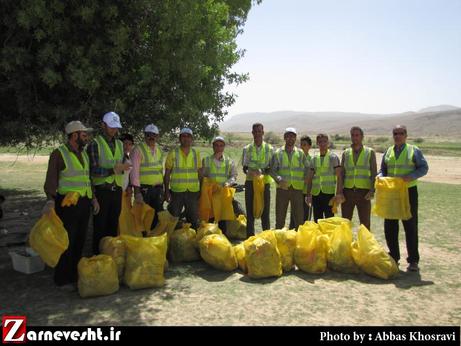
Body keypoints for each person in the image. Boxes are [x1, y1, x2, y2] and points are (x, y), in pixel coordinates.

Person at [43, 121, 97, 290]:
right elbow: (51, 180)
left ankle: (74, 276)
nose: (86, 137)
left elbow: (88, 179)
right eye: (83, 134)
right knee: (67, 242)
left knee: (79, 241)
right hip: (67, 205)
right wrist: (50, 200)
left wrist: (93, 198)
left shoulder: (84, 154)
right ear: (74, 135)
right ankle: (62, 279)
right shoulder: (59, 154)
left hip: (83, 203)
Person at [378, 125, 428, 272]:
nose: (397, 136)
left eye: (400, 133)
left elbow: (424, 168)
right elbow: (383, 170)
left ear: (406, 135)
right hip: (391, 193)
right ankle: (393, 256)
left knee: (410, 226)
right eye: (395, 133)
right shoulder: (388, 151)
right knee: (390, 226)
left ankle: (413, 261)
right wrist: (379, 176)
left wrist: (411, 177)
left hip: (408, 192)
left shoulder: (414, 150)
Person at [87, 112, 131, 254]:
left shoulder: (119, 144)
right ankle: (98, 258)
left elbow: (123, 165)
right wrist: (113, 170)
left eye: (116, 127)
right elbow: (93, 170)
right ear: (103, 125)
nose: (114, 130)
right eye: (111, 127)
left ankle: (111, 260)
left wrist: (125, 165)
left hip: (116, 191)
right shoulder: (95, 144)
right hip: (102, 191)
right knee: (100, 228)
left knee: (112, 227)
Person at [338, 126, 377, 230]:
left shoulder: (370, 152)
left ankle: (365, 245)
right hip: (348, 192)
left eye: (357, 135)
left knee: (365, 223)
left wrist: (372, 190)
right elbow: (342, 174)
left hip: (364, 193)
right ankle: (345, 245)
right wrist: (340, 192)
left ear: (362, 137)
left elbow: (374, 173)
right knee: (345, 222)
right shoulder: (346, 153)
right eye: (352, 135)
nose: (355, 137)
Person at [270, 128, 309, 230]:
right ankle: (279, 242)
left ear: (295, 138)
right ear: (284, 137)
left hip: (297, 190)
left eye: (293, 136)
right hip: (282, 189)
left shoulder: (300, 153)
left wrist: (305, 178)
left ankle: (298, 243)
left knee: (299, 220)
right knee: (280, 219)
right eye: (288, 136)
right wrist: (279, 179)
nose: (290, 138)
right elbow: (272, 170)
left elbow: (308, 168)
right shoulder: (278, 153)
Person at [164, 128, 202, 230]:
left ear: (192, 139)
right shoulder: (173, 153)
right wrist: (167, 192)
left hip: (193, 191)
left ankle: (193, 242)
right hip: (177, 192)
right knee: (174, 218)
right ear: (180, 138)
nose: (186, 138)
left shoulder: (195, 153)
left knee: (193, 219)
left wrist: (201, 189)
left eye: (188, 136)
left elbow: (200, 173)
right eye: (183, 136)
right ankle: (173, 242)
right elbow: (167, 173)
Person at [201, 136, 240, 233]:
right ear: (213, 147)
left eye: (221, 146)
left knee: (222, 219)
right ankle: (208, 240)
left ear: (224, 147)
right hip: (210, 194)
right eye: (216, 145)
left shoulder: (229, 162)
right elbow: (202, 177)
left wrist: (228, 183)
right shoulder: (206, 160)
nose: (219, 148)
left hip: (222, 194)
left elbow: (233, 176)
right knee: (210, 218)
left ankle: (222, 241)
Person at [241, 123, 274, 237]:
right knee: (250, 212)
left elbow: (272, 168)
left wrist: (262, 172)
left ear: (263, 133)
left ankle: (266, 238)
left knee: (265, 212)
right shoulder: (247, 149)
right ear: (252, 133)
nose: (257, 134)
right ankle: (250, 238)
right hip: (250, 183)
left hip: (265, 183)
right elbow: (244, 167)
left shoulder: (270, 149)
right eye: (255, 132)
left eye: (259, 131)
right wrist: (249, 172)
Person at [130, 124, 164, 231]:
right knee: (144, 216)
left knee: (156, 215)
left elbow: (159, 170)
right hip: (144, 189)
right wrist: (137, 192)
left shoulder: (159, 150)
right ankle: (144, 239)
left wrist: (162, 188)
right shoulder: (138, 150)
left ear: (157, 136)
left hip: (157, 189)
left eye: (154, 135)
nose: (151, 137)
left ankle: (153, 239)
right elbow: (134, 172)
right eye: (148, 135)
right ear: (144, 135)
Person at [306, 134, 342, 222]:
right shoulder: (314, 159)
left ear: (328, 143)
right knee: (317, 221)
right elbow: (310, 178)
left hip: (329, 194)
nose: (322, 144)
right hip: (316, 194)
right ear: (317, 143)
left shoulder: (333, 158)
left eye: (325, 142)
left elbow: (339, 177)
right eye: (320, 142)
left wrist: (338, 194)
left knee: (329, 221)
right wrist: (308, 194)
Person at [289, 135, 312, 228]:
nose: (302, 147)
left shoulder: (312, 160)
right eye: (301, 144)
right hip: (296, 191)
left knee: (305, 218)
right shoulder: (296, 158)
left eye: (305, 145)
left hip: (306, 193)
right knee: (293, 217)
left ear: (309, 146)